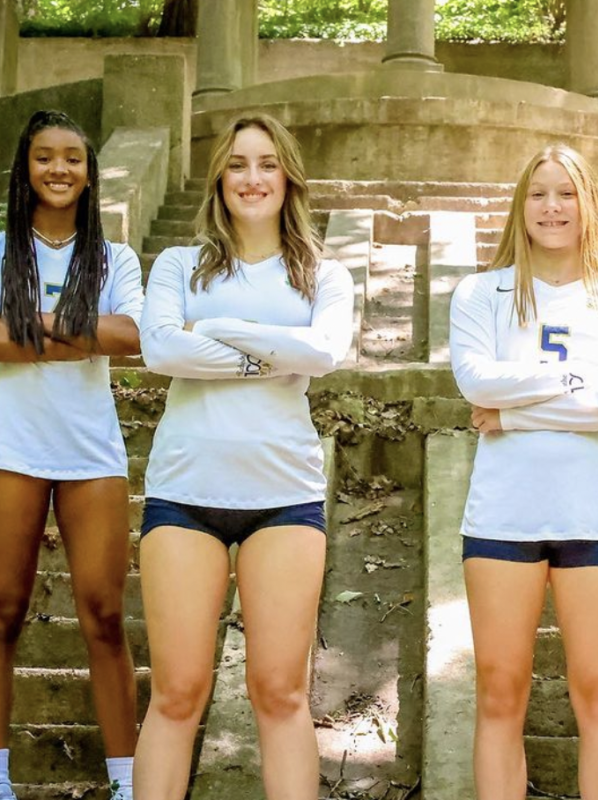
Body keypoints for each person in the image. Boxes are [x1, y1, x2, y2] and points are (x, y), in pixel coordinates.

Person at [133, 114, 354, 800]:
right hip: (185, 494)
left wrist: (220, 332)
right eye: (237, 164)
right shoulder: (178, 264)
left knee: (280, 692)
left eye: (265, 163)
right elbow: (162, 351)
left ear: (287, 175)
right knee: (176, 694)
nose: (251, 178)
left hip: (283, 498)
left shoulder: (324, 272)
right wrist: (271, 352)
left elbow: (321, 354)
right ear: (219, 178)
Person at [449, 143, 598, 800]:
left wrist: (513, 415)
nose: (551, 206)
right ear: (521, 206)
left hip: (595, 516)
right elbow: (475, 380)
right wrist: (577, 380)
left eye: (565, 193)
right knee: (499, 696)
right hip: (503, 519)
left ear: (588, 205)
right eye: (538, 193)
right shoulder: (480, 293)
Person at [0, 110, 144, 800]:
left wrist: (31, 325)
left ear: (90, 174)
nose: (59, 170)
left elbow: (133, 334)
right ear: (24, 169)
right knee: (2, 608)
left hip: (92, 452)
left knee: (105, 614)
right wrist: (80, 331)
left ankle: (127, 783)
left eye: (73, 158)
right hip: (10, 447)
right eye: (44, 158)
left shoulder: (115, 257)